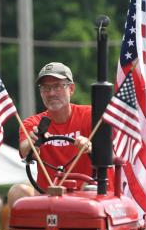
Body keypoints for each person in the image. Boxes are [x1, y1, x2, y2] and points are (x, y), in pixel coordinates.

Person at [18, 62, 94, 190]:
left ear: (71, 89)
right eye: (45, 88)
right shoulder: (33, 123)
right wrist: (31, 145)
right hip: (49, 196)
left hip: (86, 193)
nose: (51, 93)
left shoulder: (91, 115)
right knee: (18, 191)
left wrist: (90, 145)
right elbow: (25, 150)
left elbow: (109, 151)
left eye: (58, 86)